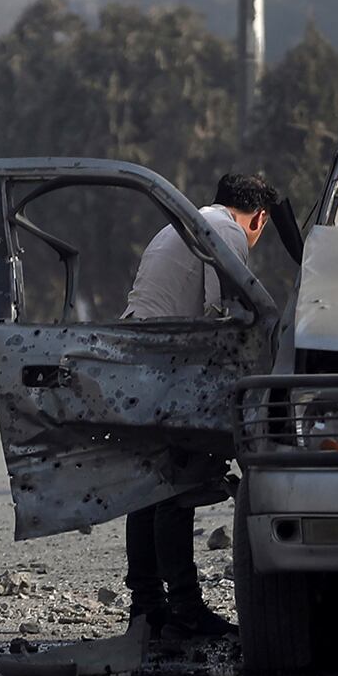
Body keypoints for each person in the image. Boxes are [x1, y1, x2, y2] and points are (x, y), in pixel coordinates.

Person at [118, 172, 277, 638]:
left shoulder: (185, 223)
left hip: (138, 354)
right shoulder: (227, 230)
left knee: (146, 490)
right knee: (176, 487)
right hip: (166, 361)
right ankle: (185, 609)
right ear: (260, 219)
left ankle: (147, 608)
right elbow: (223, 309)